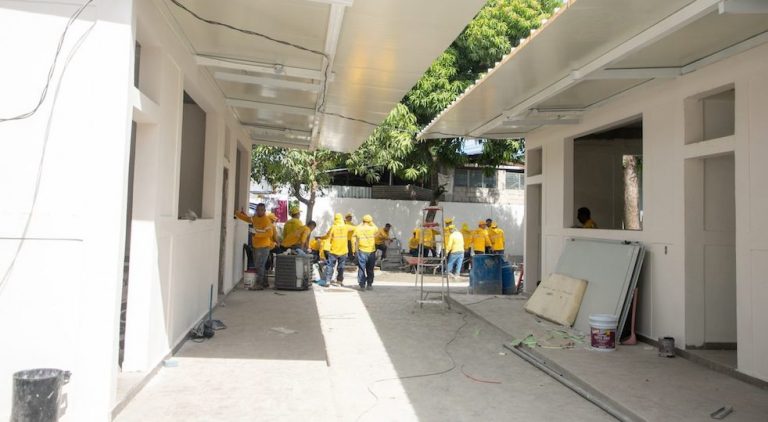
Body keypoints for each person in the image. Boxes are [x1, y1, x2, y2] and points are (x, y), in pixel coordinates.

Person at [236, 203, 274, 290]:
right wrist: (237, 214)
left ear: (264, 211)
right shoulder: (255, 218)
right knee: (260, 265)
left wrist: (256, 235)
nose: (259, 211)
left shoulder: (266, 220)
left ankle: (259, 284)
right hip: (256, 246)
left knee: (260, 265)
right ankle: (264, 283)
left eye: (261, 210)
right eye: (258, 210)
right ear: (256, 210)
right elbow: (247, 219)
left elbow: (270, 234)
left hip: (264, 247)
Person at [353, 215, 378, 290]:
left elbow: (354, 237)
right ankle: (369, 284)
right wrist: (371, 222)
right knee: (370, 269)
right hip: (371, 251)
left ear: (363, 221)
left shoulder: (358, 228)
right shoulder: (373, 228)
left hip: (362, 251)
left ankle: (362, 285)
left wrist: (362, 223)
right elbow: (376, 228)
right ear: (370, 221)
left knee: (361, 268)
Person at [323, 213, 349, 286]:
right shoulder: (346, 227)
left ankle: (328, 281)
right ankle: (339, 281)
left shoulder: (333, 227)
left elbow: (328, 236)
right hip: (343, 250)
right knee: (341, 267)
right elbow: (354, 228)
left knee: (330, 266)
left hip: (333, 250)